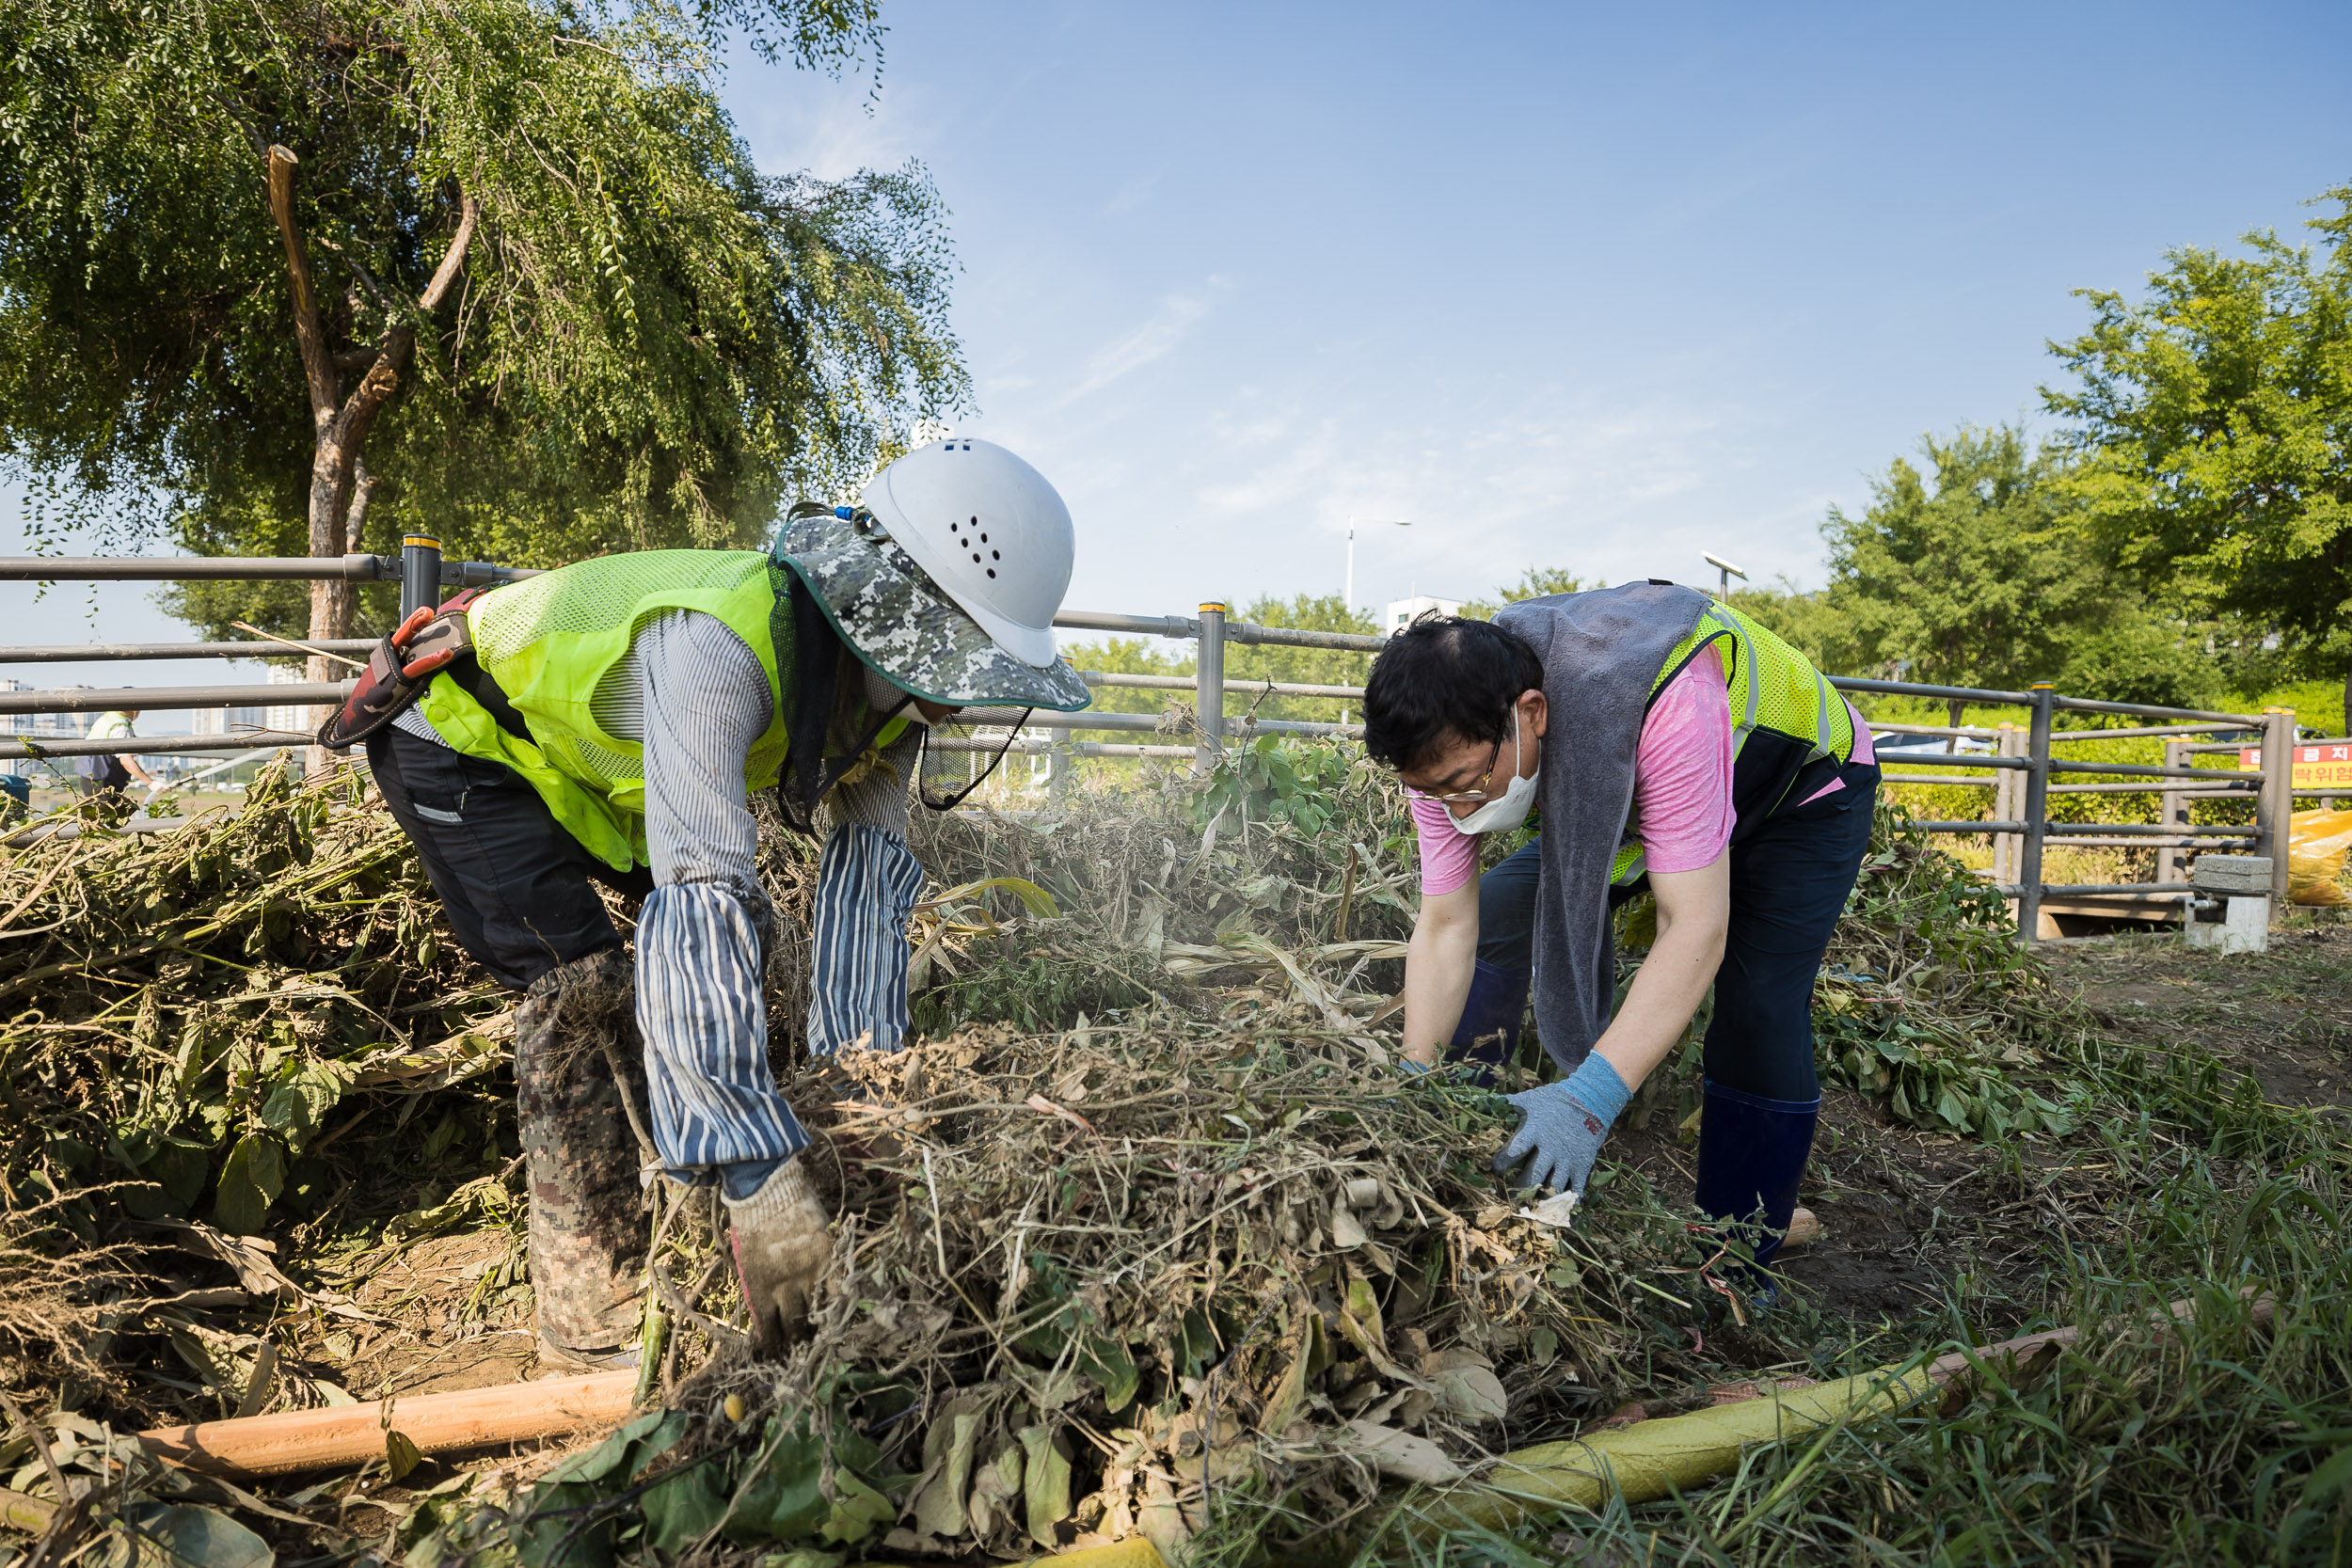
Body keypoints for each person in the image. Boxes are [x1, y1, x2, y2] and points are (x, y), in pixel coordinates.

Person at [324, 437, 1091, 1361]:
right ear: (890, 617)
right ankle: (593, 1306)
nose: (964, 703)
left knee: (751, 948)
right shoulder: (717, 650)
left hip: (595, 776)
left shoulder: (886, 716)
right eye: (963, 664)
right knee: (584, 986)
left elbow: (863, 911)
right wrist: (762, 1175)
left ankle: (699, 1177)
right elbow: (698, 895)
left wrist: (864, 1119)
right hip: (461, 735)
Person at [1361, 582, 1878, 1275]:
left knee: (1760, 1005)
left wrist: (1590, 1099)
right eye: (1434, 793)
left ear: (1530, 714)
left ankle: (1733, 1254)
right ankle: (1472, 1138)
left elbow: (1693, 926)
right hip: (1636, 804)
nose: (1457, 807)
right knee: (1499, 915)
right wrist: (1413, 1081)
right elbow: (1448, 922)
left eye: (1466, 783)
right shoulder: (1450, 747)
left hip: (1797, 792)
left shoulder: (1664, 697)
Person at [79, 705, 156, 800]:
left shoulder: (108, 718)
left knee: (94, 812)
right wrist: (149, 782)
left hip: (89, 775)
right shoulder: (120, 727)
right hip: (105, 781)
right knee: (107, 813)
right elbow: (126, 760)